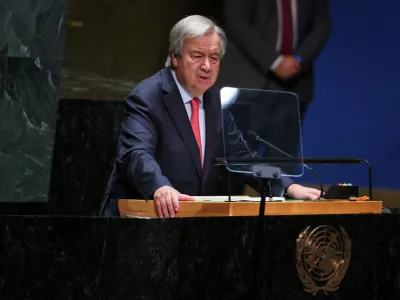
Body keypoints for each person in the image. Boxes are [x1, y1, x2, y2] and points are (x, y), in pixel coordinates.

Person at [99, 15, 321, 217]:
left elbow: (242, 158)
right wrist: (160, 186)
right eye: (197, 56)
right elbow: (135, 154)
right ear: (175, 58)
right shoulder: (148, 96)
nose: (207, 65)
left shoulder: (213, 99)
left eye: (214, 57)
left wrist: (286, 185)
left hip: (189, 224)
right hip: (138, 221)